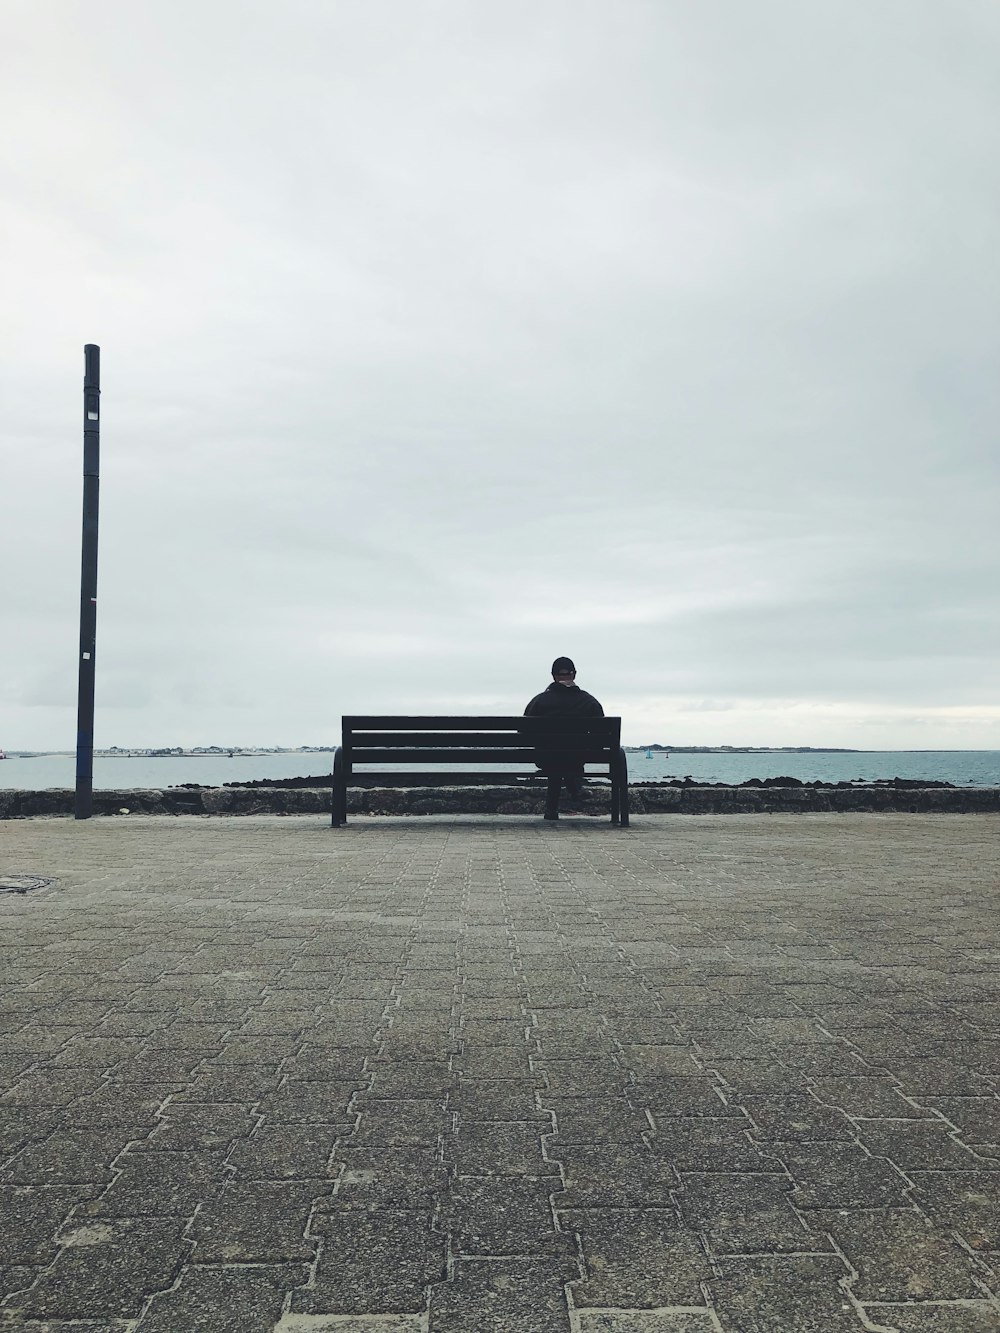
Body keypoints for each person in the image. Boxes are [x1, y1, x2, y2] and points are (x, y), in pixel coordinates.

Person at [524, 657, 604, 820]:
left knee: (556, 761)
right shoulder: (588, 701)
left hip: (546, 757)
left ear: (553, 676)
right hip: (577, 757)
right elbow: (601, 734)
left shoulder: (539, 700)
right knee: (566, 759)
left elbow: (524, 731)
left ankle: (552, 809)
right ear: (574, 675)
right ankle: (574, 788)